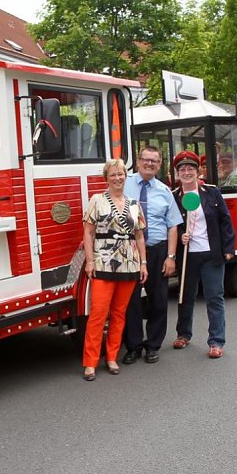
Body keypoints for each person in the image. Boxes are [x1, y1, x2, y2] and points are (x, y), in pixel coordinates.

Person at [81, 159, 148, 381]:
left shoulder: (134, 204)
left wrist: (143, 263)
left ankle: (111, 357)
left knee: (119, 314)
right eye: (113, 175)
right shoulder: (97, 200)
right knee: (98, 314)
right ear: (106, 178)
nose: (117, 178)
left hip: (129, 264)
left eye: (121, 174)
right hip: (103, 263)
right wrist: (89, 261)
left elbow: (139, 236)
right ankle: (90, 362)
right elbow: (88, 233)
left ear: (125, 177)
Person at [171, 151, 236, 359]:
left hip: (211, 253)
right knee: (185, 296)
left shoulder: (212, 192)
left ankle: (216, 341)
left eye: (190, 168)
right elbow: (171, 225)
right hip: (188, 255)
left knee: (214, 297)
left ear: (197, 171)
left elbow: (225, 221)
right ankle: (183, 334)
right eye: (182, 169)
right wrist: (181, 235)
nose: (186, 172)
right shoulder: (174, 196)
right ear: (178, 173)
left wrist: (228, 249)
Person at [122, 145, 183, 364]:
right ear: (138, 161)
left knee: (158, 300)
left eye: (154, 161)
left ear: (159, 165)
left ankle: (153, 345)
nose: (149, 163)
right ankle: (133, 346)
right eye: (145, 159)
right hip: (129, 251)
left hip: (157, 251)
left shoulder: (165, 191)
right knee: (130, 301)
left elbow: (173, 226)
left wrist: (171, 257)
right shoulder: (124, 183)